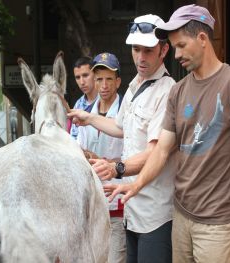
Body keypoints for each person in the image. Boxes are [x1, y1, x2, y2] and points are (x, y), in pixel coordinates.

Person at [106, 4, 230, 263]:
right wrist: (134, 186)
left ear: (202, 39)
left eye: (181, 45)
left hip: (216, 221)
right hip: (181, 215)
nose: (177, 53)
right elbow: (161, 150)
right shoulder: (179, 91)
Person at [68, 14, 176, 263]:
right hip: (132, 209)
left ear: (163, 50)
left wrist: (116, 167)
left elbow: (155, 151)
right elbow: (120, 127)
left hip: (155, 213)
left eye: (148, 50)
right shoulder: (135, 85)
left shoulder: (167, 91)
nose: (141, 57)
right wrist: (89, 117)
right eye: (136, 49)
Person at [77, 52, 126, 263]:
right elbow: (79, 151)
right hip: (93, 208)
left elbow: (133, 156)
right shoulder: (84, 113)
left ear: (118, 82)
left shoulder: (127, 110)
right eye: (99, 79)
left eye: (109, 79)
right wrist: (85, 156)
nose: (104, 85)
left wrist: (103, 160)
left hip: (119, 206)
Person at [70, 56, 98, 139]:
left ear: (95, 74)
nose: (82, 82)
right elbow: (74, 136)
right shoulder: (78, 105)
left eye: (85, 75)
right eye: (77, 77)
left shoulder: (106, 99)